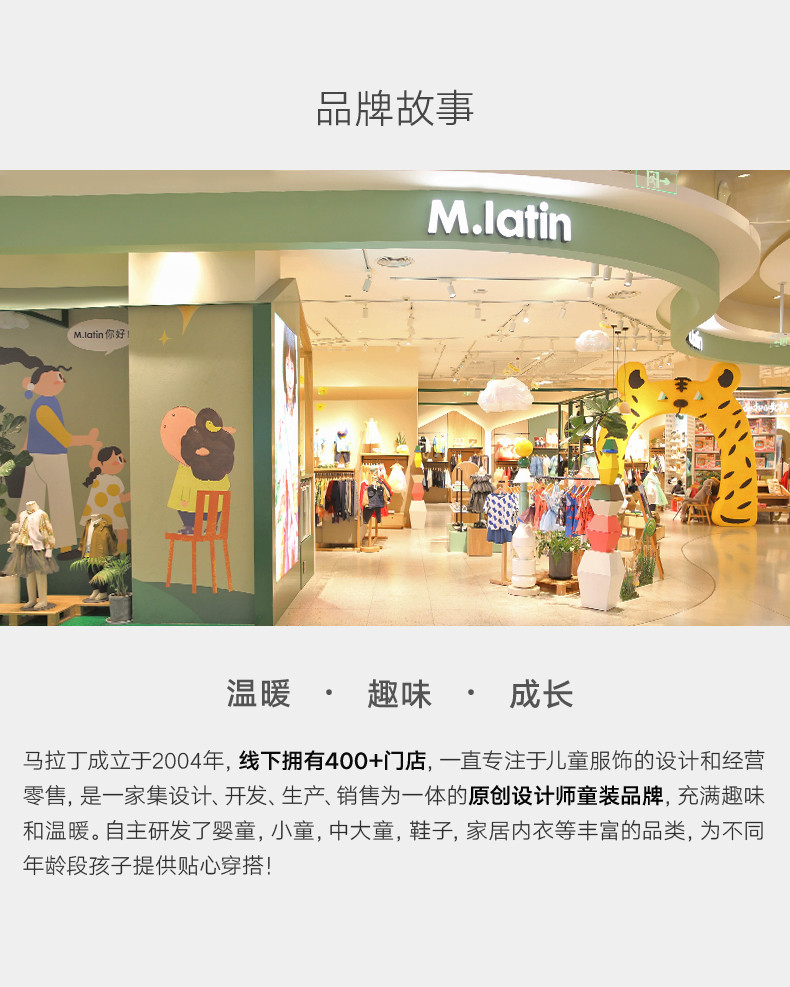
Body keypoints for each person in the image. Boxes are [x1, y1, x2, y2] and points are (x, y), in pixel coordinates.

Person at [0, 346, 100, 554]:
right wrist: (89, 440)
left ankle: (25, 545)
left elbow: (31, 435)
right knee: (59, 499)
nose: (58, 381)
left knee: (31, 501)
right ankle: (63, 546)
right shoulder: (45, 407)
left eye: (59, 377)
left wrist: (21, 455)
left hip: (34, 458)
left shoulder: (44, 404)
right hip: (52, 458)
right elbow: (63, 438)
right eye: (51, 378)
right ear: (35, 385)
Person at [161, 406, 235, 535]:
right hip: (199, 480)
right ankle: (192, 525)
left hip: (211, 482)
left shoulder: (221, 439)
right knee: (190, 500)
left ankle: (206, 525)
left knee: (210, 500)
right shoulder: (194, 435)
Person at [80, 446, 131, 551]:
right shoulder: (105, 479)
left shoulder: (101, 478)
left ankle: (120, 551)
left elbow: (122, 498)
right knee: (121, 530)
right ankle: (121, 551)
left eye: (122, 459)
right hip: (111, 512)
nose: (121, 463)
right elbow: (123, 498)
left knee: (120, 530)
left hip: (109, 511)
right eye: (118, 459)